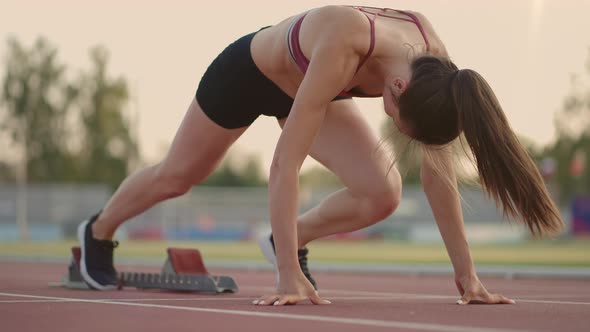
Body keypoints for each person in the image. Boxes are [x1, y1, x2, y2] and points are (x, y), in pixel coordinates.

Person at [77, 5, 564, 306]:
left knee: (382, 193)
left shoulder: (434, 65)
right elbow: (284, 163)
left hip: (310, 90)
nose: (392, 126)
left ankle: (289, 238)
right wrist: (287, 276)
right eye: (398, 121)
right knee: (178, 176)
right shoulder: (345, 43)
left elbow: (439, 176)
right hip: (248, 74)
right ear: (395, 88)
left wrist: (468, 276)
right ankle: (97, 232)